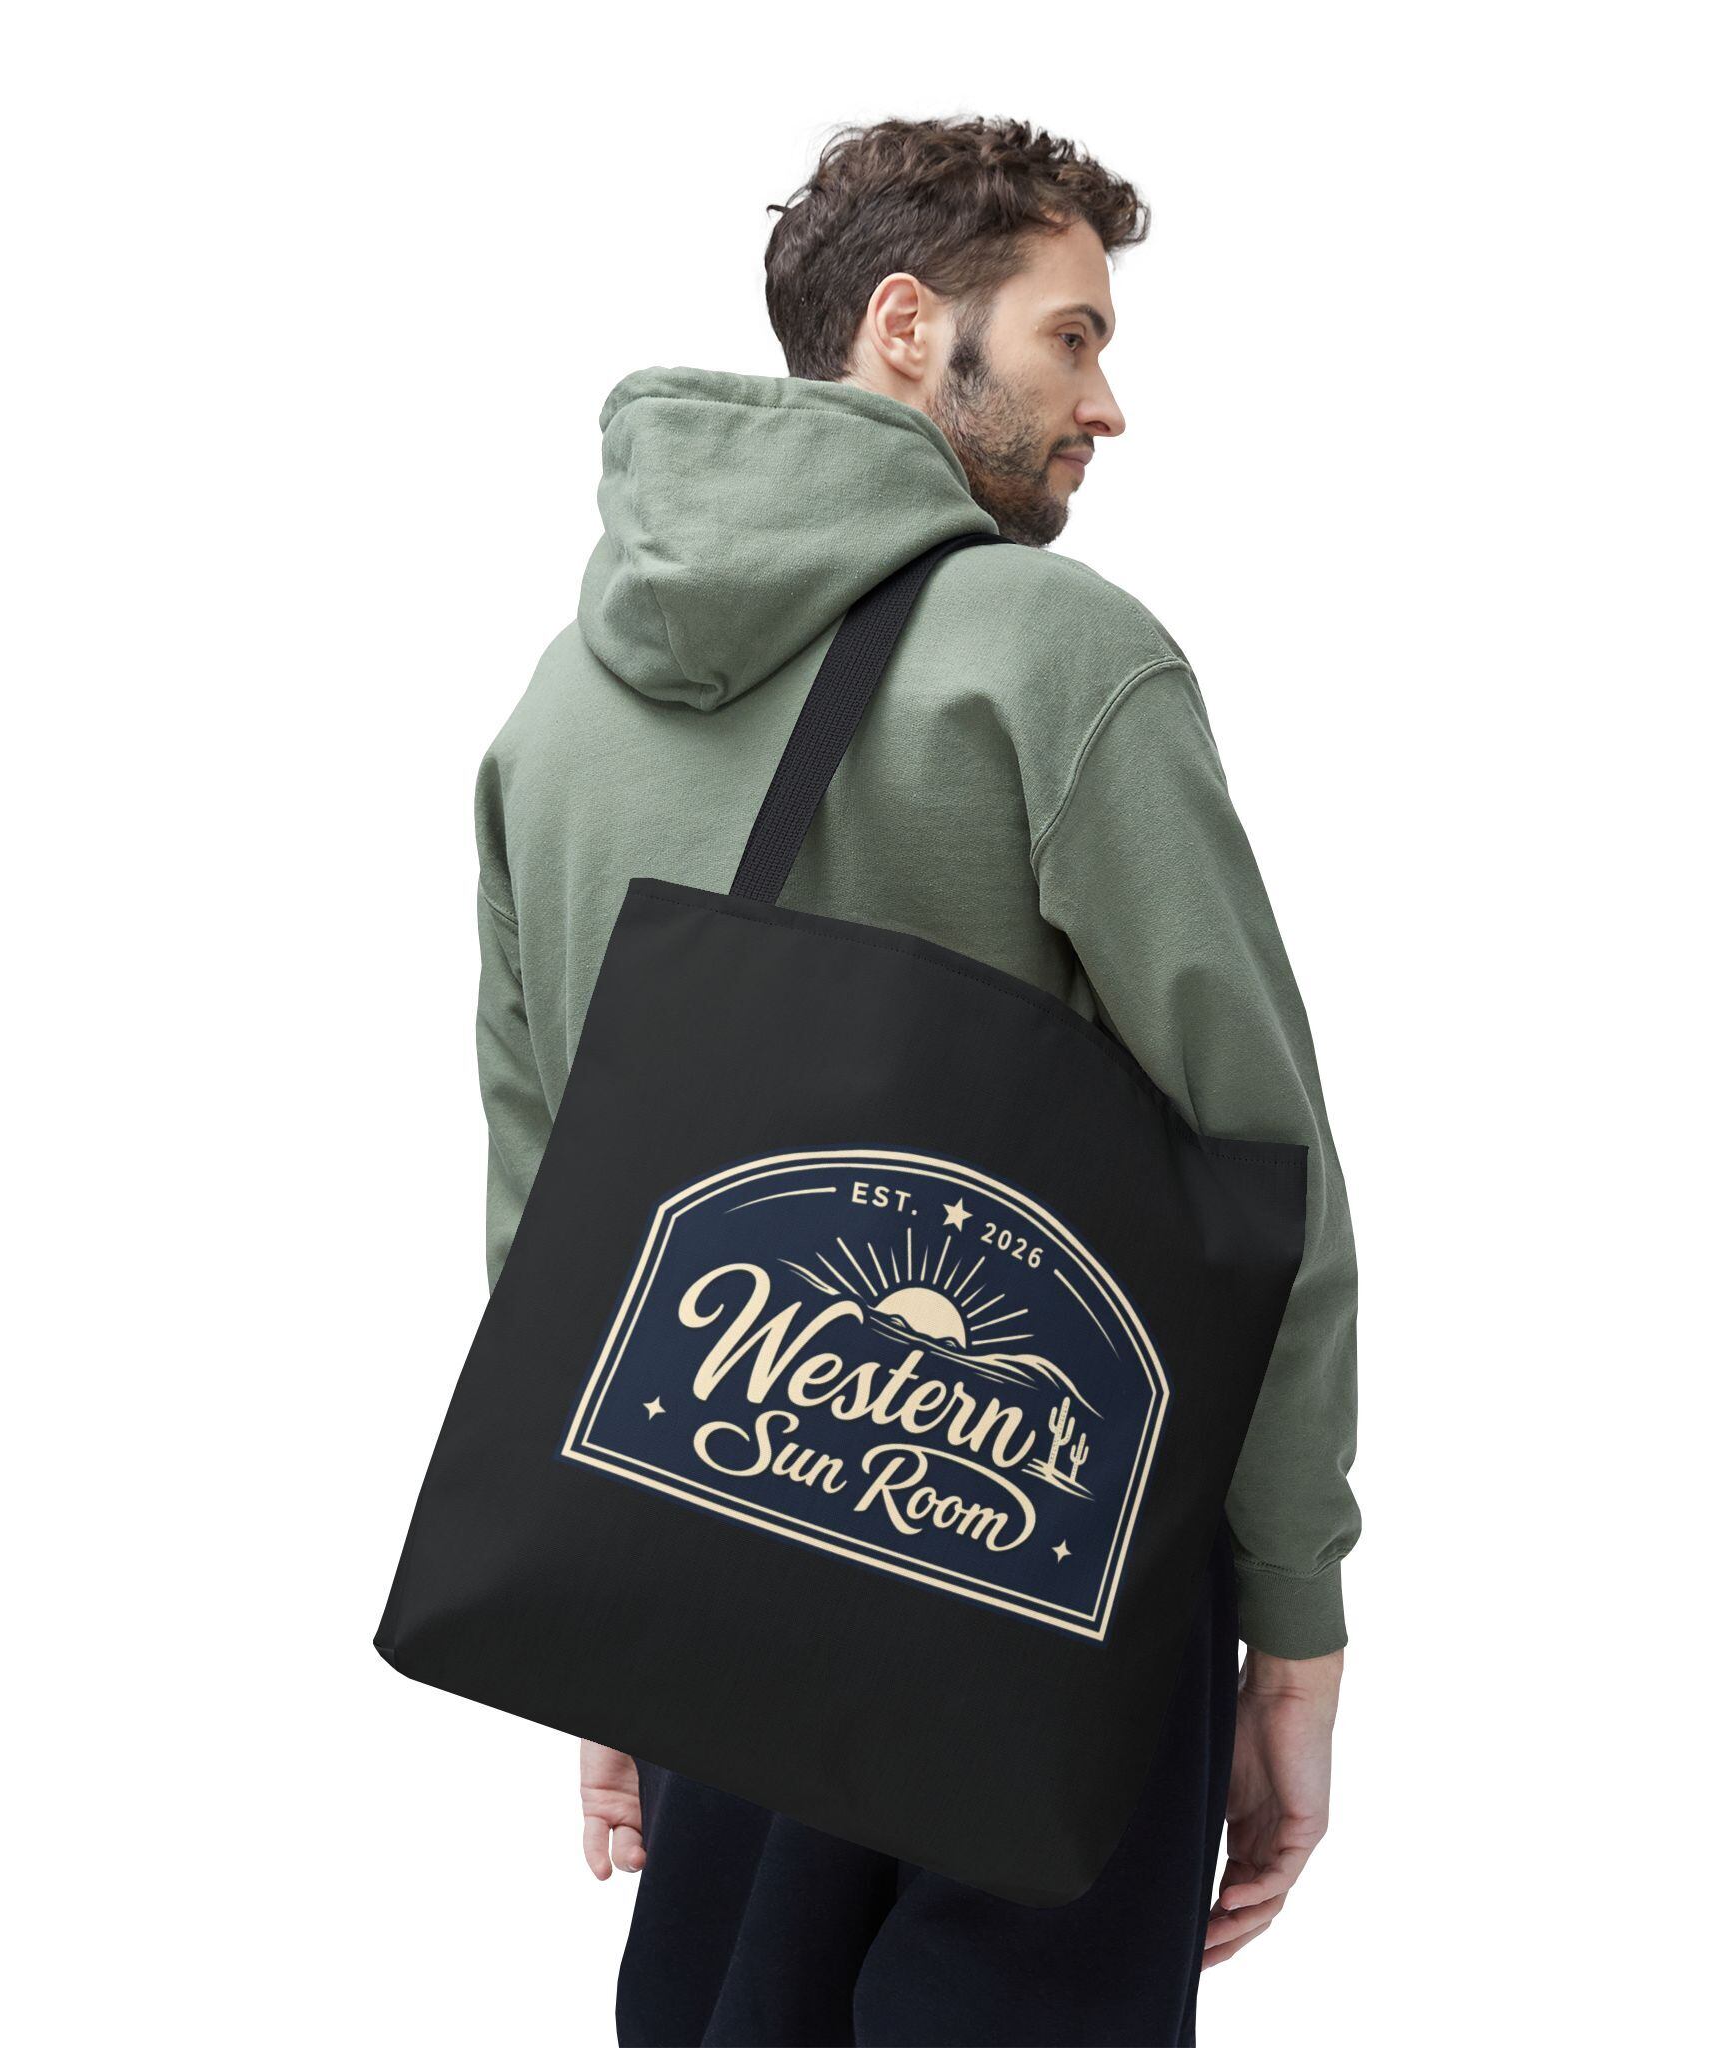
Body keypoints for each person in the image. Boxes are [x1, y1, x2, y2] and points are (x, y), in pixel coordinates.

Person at [473, 115, 1359, 2047]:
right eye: (1072, 336)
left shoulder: (557, 712)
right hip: (1044, 1586)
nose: (1107, 404)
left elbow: (555, 1216)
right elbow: (1259, 1175)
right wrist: (1293, 1621)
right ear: (904, 326)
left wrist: (604, 1622)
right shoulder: (1055, 655)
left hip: (710, 1562)